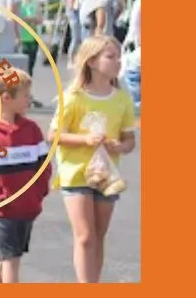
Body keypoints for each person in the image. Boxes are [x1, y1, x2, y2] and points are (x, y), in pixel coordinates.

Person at [49, 35, 137, 283]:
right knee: (85, 236)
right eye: (111, 57)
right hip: (75, 173)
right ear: (91, 61)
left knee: (98, 235)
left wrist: (119, 146)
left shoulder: (121, 98)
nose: (118, 62)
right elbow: (53, 135)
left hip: (107, 176)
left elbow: (129, 140)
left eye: (119, 57)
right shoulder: (74, 97)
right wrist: (84, 140)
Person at [0, 69, 50, 283]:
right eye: (25, 96)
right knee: (11, 259)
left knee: (10, 256)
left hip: (27, 206)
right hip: (2, 210)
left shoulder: (32, 130)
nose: (29, 100)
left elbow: (43, 164)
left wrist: (39, 191)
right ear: (6, 98)